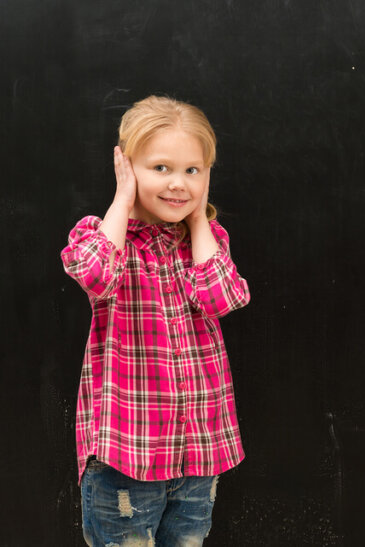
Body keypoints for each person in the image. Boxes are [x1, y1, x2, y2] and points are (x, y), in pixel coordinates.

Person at [61, 95, 250, 546]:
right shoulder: (105, 235)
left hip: (198, 457)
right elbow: (93, 273)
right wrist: (123, 202)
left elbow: (222, 298)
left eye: (193, 170)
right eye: (160, 168)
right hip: (127, 458)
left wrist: (200, 218)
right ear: (126, 167)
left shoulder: (204, 243)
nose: (178, 184)